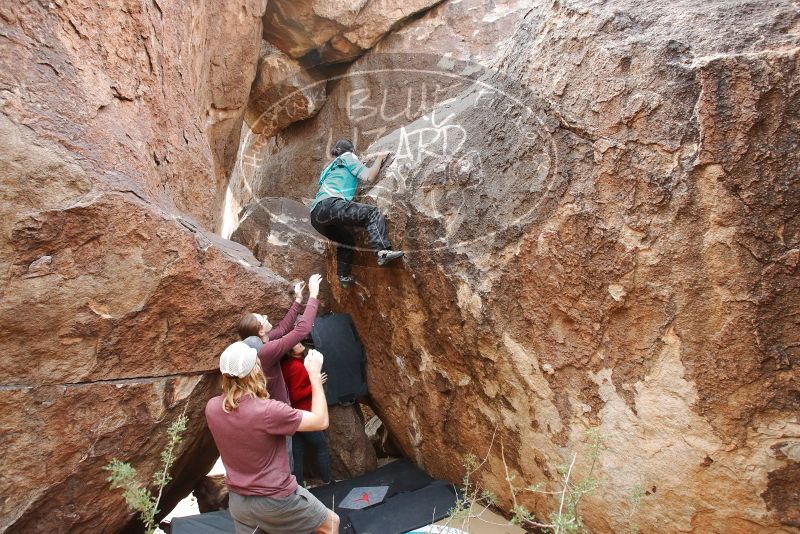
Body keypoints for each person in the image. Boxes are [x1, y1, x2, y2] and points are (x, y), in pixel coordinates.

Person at [206, 342, 339, 534]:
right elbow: (320, 421)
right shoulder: (268, 410)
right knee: (331, 523)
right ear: (255, 371)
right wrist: (315, 377)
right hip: (275, 499)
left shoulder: (212, 408)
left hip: (239, 501)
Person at [309, 139, 404, 288]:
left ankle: (343, 276)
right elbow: (369, 176)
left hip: (316, 215)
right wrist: (379, 158)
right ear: (351, 150)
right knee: (372, 213)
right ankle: (382, 251)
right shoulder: (348, 157)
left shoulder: (329, 168)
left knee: (346, 240)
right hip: (331, 205)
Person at [236, 273, 323, 405]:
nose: (265, 316)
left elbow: (283, 328)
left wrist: (298, 299)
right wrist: (313, 295)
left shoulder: (258, 342)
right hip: (277, 406)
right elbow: (302, 330)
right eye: (262, 318)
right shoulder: (265, 351)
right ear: (260, 331)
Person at [281, 343, 332, 487]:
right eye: (296, 344)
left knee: (297, 453)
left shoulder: (287, 365)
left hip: (293, 416)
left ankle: (299, 486)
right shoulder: (296, 367)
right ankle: (328, 481)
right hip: (304, 414)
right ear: (291, 351)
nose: (300, 343)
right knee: (321, 446)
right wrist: (316, 383)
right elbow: (295, 394)